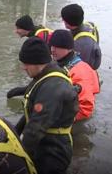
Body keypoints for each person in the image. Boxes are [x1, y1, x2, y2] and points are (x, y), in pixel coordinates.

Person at [15, 37, 78, 174]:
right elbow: (30, 115)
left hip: (53, 152)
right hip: (44, 143)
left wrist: (16, 156)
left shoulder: (52, 88)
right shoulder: (44, 75)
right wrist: (14, 134)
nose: (23, 67)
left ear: (38, 62)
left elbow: (35, 128)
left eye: (26, 63)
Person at [49, 29, 100, 121]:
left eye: (57, 47)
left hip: (71, 120)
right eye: (52, 45)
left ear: (69, 49)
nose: (52, 49)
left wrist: (58, 120)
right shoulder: (60, 63)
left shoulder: (80, 72)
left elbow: (85, 109)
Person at [61, 4, 102, 70]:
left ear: (67, 23)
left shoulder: (81, 44)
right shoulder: (90, 25)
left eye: (63, 19)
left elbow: (79, 67)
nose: (62, 20)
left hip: (86, 71)